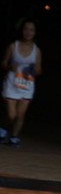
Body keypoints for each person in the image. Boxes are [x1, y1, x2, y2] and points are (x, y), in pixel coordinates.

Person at [1, 17, 42, 147]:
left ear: (35, 32)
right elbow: (3, 63)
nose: (28, 32)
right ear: (21, 30)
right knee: (11, 115)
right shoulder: (13, 46)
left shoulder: (36, 51)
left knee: (20, 115)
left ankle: (14, 137)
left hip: (27, 85)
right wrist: (10, 66)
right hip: (11, 84)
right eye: (26, 29)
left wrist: (32, 70)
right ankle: (3, 128)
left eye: (31, 30)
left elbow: (39, 70)